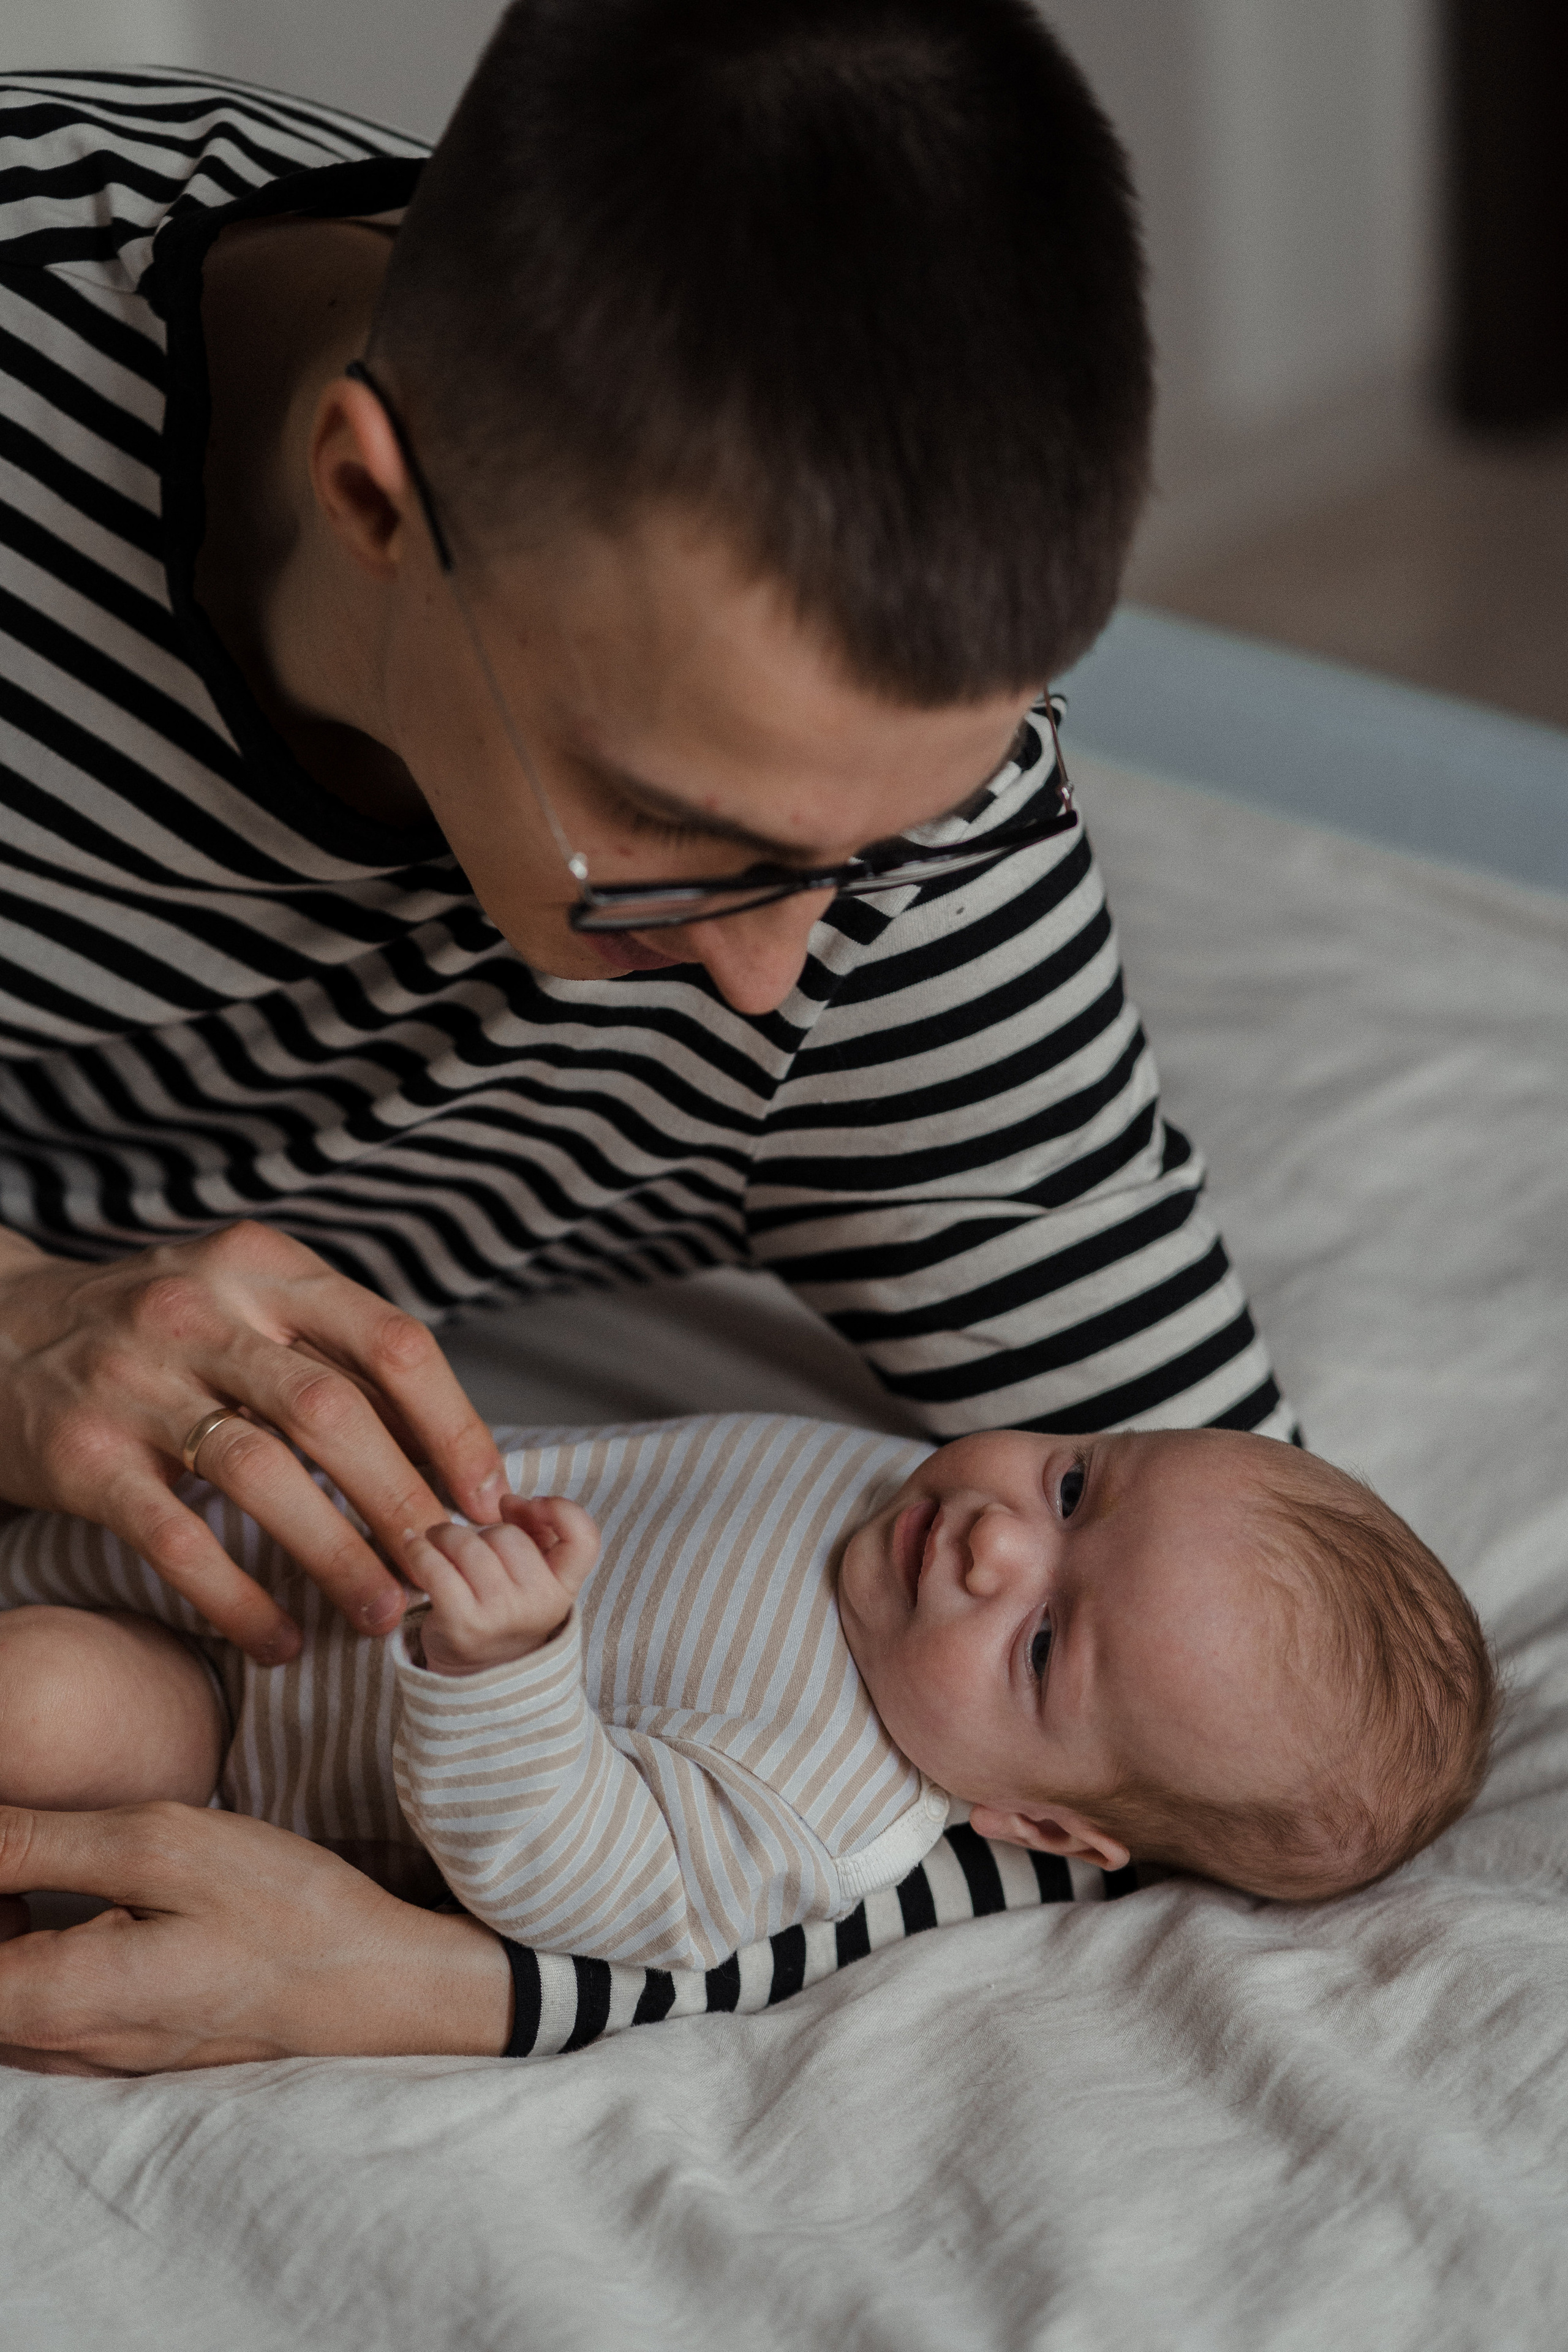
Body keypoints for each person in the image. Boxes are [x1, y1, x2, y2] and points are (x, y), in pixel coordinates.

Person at [0, 1, 1294, 2068]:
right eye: (687, 840)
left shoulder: (917, 914)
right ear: (370, 497)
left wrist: (450, 1985)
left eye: (907, 814)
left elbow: (1192, 1755)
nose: (792, 977)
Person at [0, 1413, 1496, 1970]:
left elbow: (570, 1879)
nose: (994, 1543)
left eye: (1045, 1646)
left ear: (1037, 1823)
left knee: (39, 1703)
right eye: (1074, 1482)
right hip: (284, 1515)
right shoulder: (891, 1491)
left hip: (237, 1720)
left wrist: (508, 1673)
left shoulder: (818, 1812)